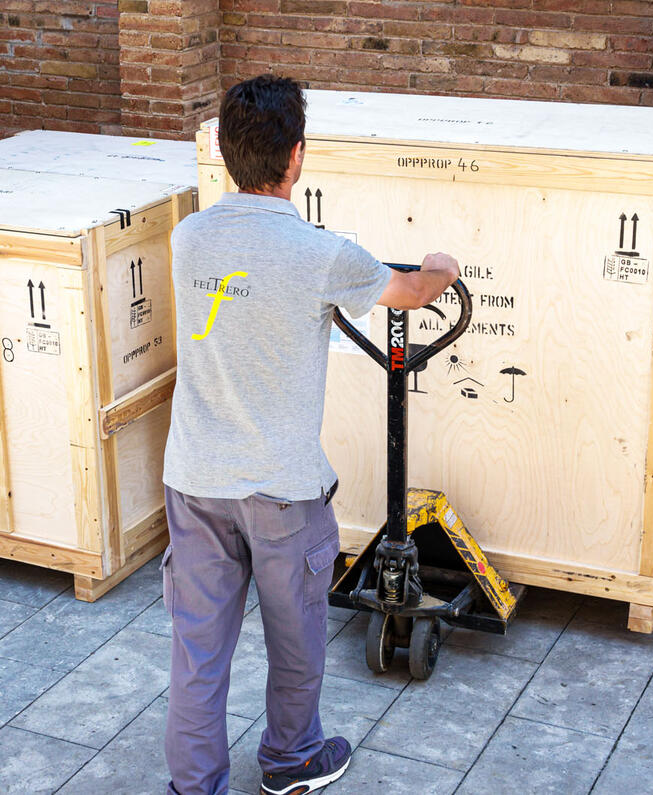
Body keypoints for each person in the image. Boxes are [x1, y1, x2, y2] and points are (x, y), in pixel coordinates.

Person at [161, 74, 460, 795]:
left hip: (195, 479)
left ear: (229, 155)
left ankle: (192, 785)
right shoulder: (322, 254)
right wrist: (443, 267)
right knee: (293, 641)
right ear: (296, 156)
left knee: (197, 651)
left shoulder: (188, 237)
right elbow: (413, 291)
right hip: (282, 492)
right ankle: (292, 758)